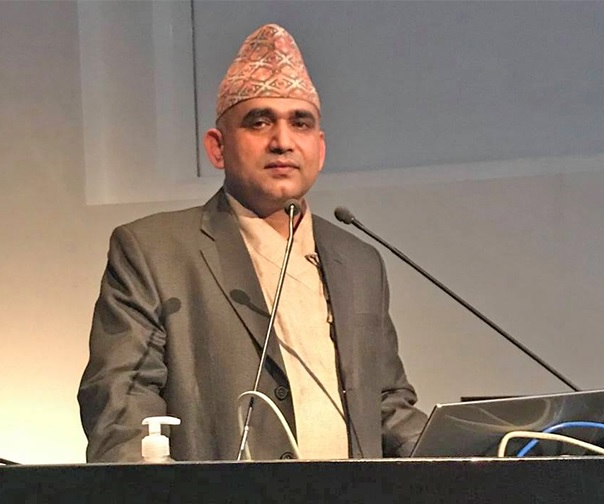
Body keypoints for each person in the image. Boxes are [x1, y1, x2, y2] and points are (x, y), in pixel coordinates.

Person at [78, 23, 426, 463]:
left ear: (319, 149)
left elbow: (386, 404)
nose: (282, 141)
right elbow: (120, 405)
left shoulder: (359, 260)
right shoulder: (154, 251)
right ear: (217, 148)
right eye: (259, 122)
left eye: (300, 123)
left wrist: (482, 454)